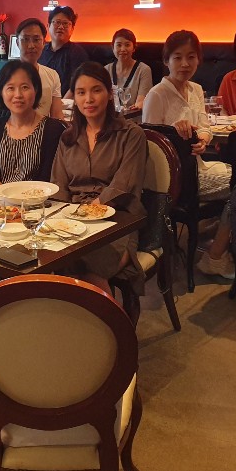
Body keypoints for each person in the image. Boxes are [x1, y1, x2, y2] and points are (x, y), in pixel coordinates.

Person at [142, 31, 236, 278]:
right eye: (177, 57)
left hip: (198, 167)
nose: (185, 64)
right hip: (173, 180)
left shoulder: (195, 89)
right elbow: (150, 148)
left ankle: (219, 241)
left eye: (191, 57)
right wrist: (173, 132)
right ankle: (216, 256)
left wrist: (202, 140)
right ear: (166, 61)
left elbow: (205, 127)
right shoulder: (156, 95)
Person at [51, 62, 146, 298]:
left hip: (118, 222)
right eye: (81, 92)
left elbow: (124, 184)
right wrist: (60, 221)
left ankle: (110, 320)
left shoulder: (131, 134)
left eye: (96, 90)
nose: (89, 99)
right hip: (72, 220)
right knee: (48, 258)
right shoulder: (67, 138)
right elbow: (59, 186)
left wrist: (88, 212)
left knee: (82, 263)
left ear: (109, 93)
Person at [0, 60, 65, 185]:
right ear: (1, 92)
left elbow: (48, 179)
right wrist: (3, 194)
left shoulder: (53, 130)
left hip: (39, 195)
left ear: (36, 90)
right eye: (10, 88)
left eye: (25, 87)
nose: (18, 95)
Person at [16, 18, 63, 119]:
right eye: (25, 39)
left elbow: (57, 115)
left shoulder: (52, 75)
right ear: (17, 43)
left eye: (36, 40)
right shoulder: (9, 75)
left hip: (44, 128)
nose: (31, 46)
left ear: (43, 43)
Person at [39, 5, 90, 97]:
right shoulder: (40, 51)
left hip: (66, 103)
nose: (61, 27)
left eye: (65, 23)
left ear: (72, 29)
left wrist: (61, 104)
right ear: (48, 26)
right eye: (57, 22)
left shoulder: (77, 53)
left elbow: (77, 84)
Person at [104, 28, 152, 112]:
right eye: (119, 45)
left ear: (134, 48)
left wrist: (136, 107)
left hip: (133, 117)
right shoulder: (106, 70)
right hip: (111, 117)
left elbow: (142, 101)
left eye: (127, 45)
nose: (123, 49)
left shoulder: (144, 70)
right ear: (113, 48)